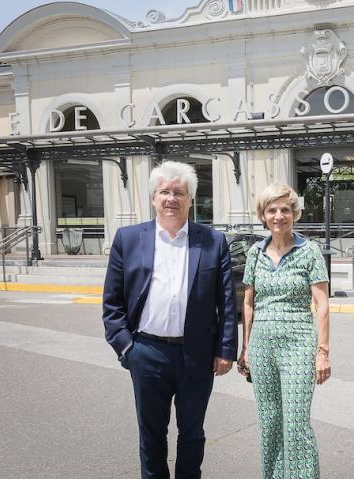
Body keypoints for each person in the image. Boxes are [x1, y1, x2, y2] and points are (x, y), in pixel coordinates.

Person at [102, 161, 237, 479]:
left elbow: (227, 302)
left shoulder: (213, 241)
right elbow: (112, 302)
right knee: (151, 435)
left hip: (197, 354)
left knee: (192, 433)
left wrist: (225, 349)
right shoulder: (128, 239)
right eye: (165, 192)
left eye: (179, 192)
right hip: (147, 352)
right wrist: (127, 348)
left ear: (191, 199)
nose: (171, 199)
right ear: (153, 198)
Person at [237, 183, 331, 479]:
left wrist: (322, 352)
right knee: (269, 420)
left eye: (285, 210)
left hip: (298, 345)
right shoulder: (255, 252)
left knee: (295, 421)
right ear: (263, 215)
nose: (279, 216)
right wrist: (245, 348)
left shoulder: (309, 251)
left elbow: (322, 304)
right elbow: (248, 304)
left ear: (294, 214)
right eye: (272, 210)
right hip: (261, 346)